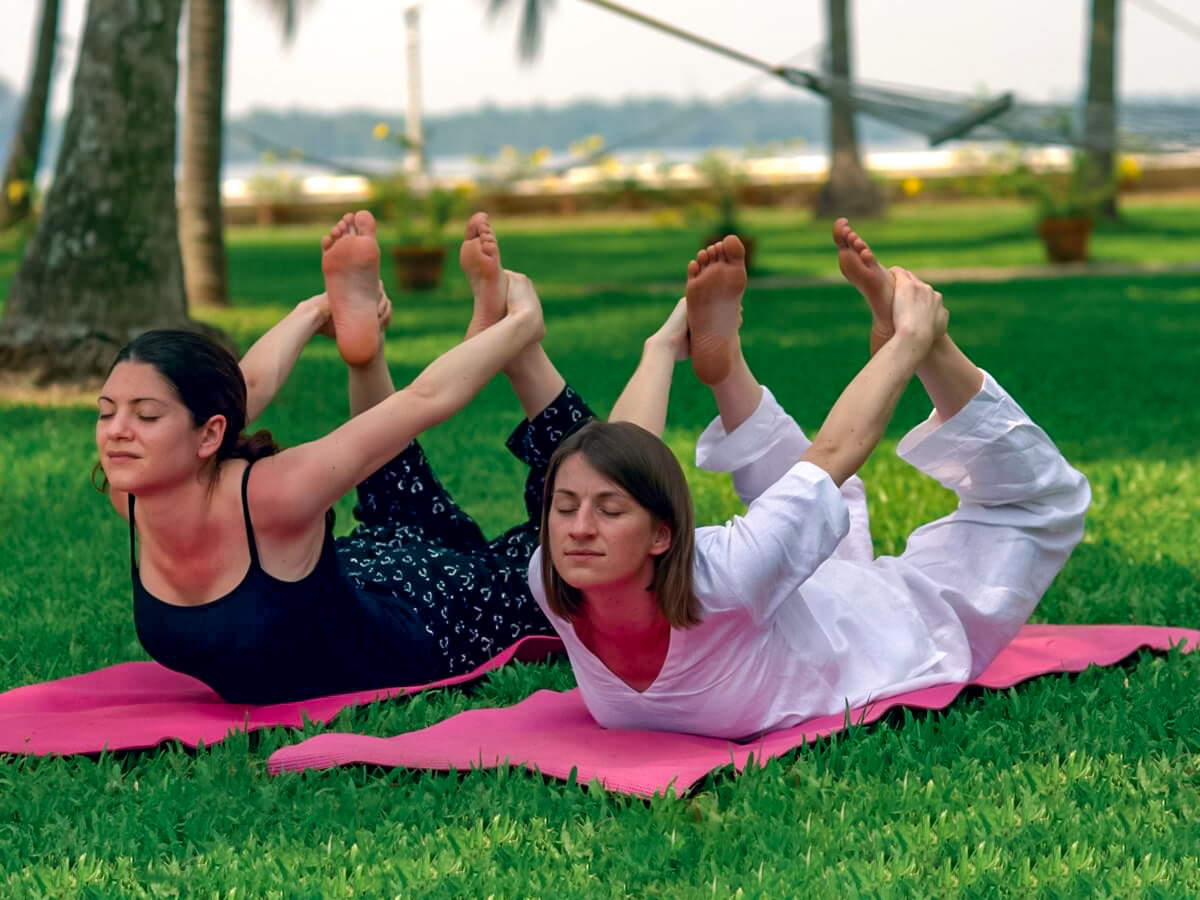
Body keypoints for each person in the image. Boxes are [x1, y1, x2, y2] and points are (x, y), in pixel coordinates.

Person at [529, 221, 1091, 740]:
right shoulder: (554, 578)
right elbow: (618, 460)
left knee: (1042, 503)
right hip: (799, 604)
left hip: (885, 626)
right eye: (565, 506)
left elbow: (835, 453)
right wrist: (657, 348)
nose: (577, 528)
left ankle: (933, 343)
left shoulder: (726, 577)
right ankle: (728, 369)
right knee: (805, 511)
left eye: (607, 512)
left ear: (662, 535)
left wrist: (910, 344)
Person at [95, 211, 595, 704]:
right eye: (107, 412)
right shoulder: (134, 492)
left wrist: (526, 322)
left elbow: (421, 401)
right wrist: (314, 311)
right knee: (400, 515)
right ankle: (436, 342)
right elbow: (236, 391)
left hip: (431, 616)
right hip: (366, 576)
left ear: (208, 437)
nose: (117, 432)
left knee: (576, 547)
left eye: (145, 415)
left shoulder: (274, 494)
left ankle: (513, 342)